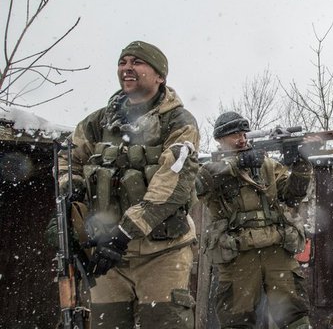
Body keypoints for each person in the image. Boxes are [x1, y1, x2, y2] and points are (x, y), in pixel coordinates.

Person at [55, 40, 200, 328]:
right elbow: (66, 161)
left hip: (161, 252)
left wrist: (123, 234)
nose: (127, 68)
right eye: (123, 62)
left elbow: (173, 183)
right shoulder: (96, 122)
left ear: (159, 75)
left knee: (165, 322)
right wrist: (71, 200)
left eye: (137, 62)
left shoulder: (178, 121)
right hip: (106, 256)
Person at [196, 112, 317, 329]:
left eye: (244, 133)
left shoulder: (267, 166)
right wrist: (237, 164)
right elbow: (199, 184)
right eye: (234, 135)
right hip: (238, 254)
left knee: (295, 315)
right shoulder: (210, 169)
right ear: (220, 140)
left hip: (276, 249)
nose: (242, 139)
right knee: (237, 320)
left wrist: (300, 164)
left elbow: (292, 195)